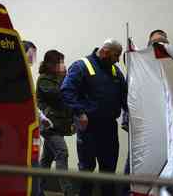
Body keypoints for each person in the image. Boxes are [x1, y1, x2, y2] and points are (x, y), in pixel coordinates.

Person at [61, 39, 128, 196]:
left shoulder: (115, 72)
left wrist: (130, 115)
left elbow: (126, 97)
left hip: (109, 129)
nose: (118, 60)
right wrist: (79, 112)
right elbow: (66, 91)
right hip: (88, 128)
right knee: (87, 172)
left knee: (108, 172)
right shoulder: (81, 66)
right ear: (104, 52)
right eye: (116, 55)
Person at [36, 50, 74, 196]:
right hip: (50, 126)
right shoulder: (44, 80)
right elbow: (59, 95)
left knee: (46, 161)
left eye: (62, 62)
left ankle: (37, 190)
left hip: (58, 127)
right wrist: (65, 76)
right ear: (50, 64)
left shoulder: (60, 78)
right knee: (62, 153)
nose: (62, 65)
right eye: (59, 62)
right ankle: (68, 192)